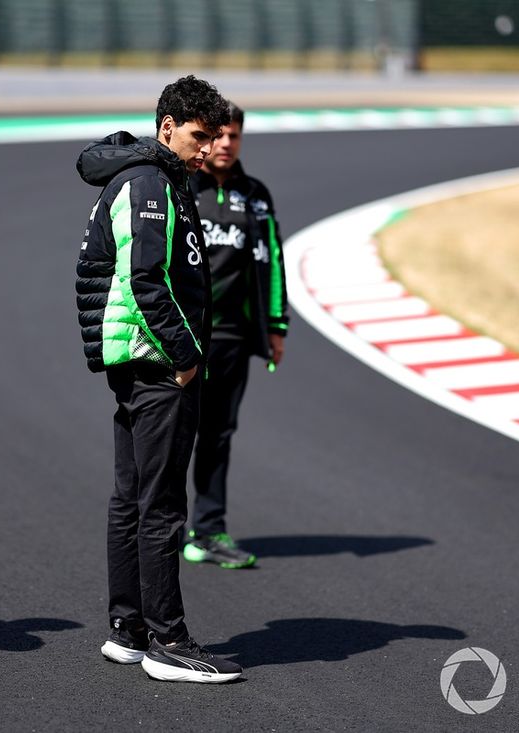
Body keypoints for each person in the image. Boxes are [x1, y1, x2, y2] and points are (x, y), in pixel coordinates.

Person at [75, 75, 243, 684]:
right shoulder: (150, 183)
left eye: (216, 137)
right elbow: (147, 279)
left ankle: (129, 629)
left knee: (131, 498)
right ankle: (167, 643)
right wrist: (184, 356)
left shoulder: (153, 177)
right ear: (166, 128)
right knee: (162, 505)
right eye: (199, 136)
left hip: (135, 360)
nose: (207, 149)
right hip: (156, 362)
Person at [184, 102, 288, 569]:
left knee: (218, 435)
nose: (226, 144)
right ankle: (159, 526)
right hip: (182, 337)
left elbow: (274, 265)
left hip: (232, 338)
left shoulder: (257, 195)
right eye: (219, 135)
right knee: (172, 435)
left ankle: (206, 531)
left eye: (235, 136)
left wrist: (277, 326)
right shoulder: (181, 186)